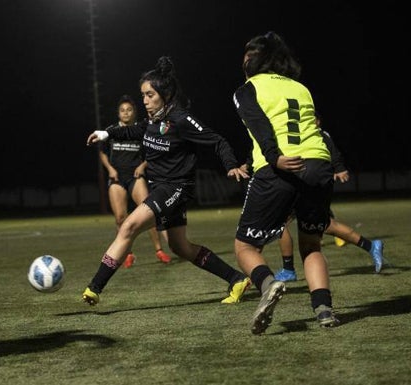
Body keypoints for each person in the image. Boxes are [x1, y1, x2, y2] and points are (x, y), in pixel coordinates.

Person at [83, 56, 252, 306]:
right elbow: (133, 130)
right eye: (142, 95)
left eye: (149, 95)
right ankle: (237, 279)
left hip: (176, 188)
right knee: (180, 247)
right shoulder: (152, 121)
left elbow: (217, 140)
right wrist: (106, 133)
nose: (145, 101)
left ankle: (94, 288)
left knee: (129, 225)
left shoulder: (181, 119)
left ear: (165, 93)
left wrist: (231, 165)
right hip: (162, 188)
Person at [232, 31, 340, 335]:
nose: (244, 62)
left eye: (248, 56)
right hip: (319, 167)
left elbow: (258, 122)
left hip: (280, 167)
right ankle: (324, 311)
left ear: (259, 60)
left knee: (245, 246)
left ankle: (268, 285)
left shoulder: (247, 89)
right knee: (311, 244)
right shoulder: (301, 88)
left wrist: (273, 156)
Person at [241, 114, 385, 281]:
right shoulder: (299, 133)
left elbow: (330, 149)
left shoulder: (314, 134)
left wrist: (339, 167)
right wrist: (248, 163)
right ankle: (370, 245)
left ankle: (286, 270)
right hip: (307, 180)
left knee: (280, 224)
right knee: (326, 225)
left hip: (299, 181)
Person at [98, 94, 172, 268]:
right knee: (120, 218)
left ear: (134, 112)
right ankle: (128, 254)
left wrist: (143, 166)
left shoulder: (141, 129)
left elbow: (154, 150)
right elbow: (102, 152)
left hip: (136, 177)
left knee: (149, 212)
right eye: (122, 110)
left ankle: (159, 250)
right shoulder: (112, 130)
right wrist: (110, 169)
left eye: (129, 110)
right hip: (117, 178)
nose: (126, 113)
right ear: (118, 113)